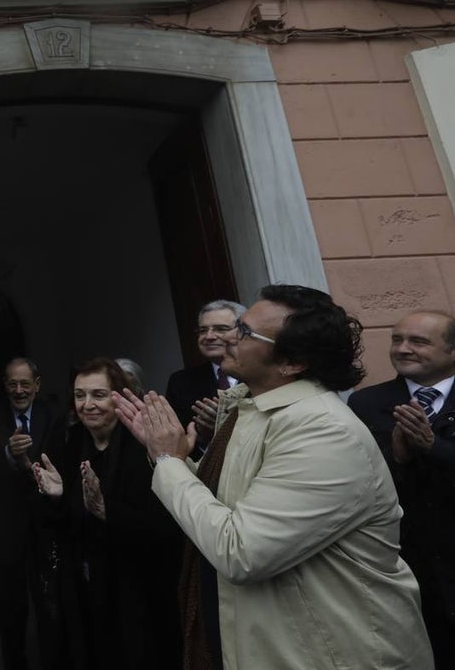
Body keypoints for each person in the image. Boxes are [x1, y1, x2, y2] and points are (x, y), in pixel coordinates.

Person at [115, 285, 431, 669]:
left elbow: (241, 550)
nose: (227, 338)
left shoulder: (321, 429)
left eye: (244, 332)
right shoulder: (255, 410)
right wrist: (167, 458)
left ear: (291, 363)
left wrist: (169, 461)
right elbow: (230, 505)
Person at [33, 358, 181, 670]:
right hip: (86, 591)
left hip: (138, 595)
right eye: (80, 395)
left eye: (98, 395)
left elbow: (166, 529)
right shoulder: (72, 443)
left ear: (120, 396)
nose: (88, 405)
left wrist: (106, 510)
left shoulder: (144, 447)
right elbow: (60, 526)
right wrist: (57, 497)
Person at [348, 310, 455, 666]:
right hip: (407, 563)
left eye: (418, 341)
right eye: (397, 340)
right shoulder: (365, 403)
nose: (403, 349)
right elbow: (362, 480)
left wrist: (432, 446)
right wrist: (400, 458)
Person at [0, 357, 58, 670]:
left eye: (25, 383)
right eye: (13, 384)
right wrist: (9, 454)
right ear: (5, 385)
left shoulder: (54, 416)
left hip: (46, 527)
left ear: (37, 385)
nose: (19, 390)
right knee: (9, 607)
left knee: (50, 603)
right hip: (3, 530)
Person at [164, 300, 245, 445]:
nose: (209, 336)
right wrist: (203, 436)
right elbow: (178, 439)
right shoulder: (181, 381)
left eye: (221, 329)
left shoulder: (260, 373)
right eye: (203, 330)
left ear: (242, 332)